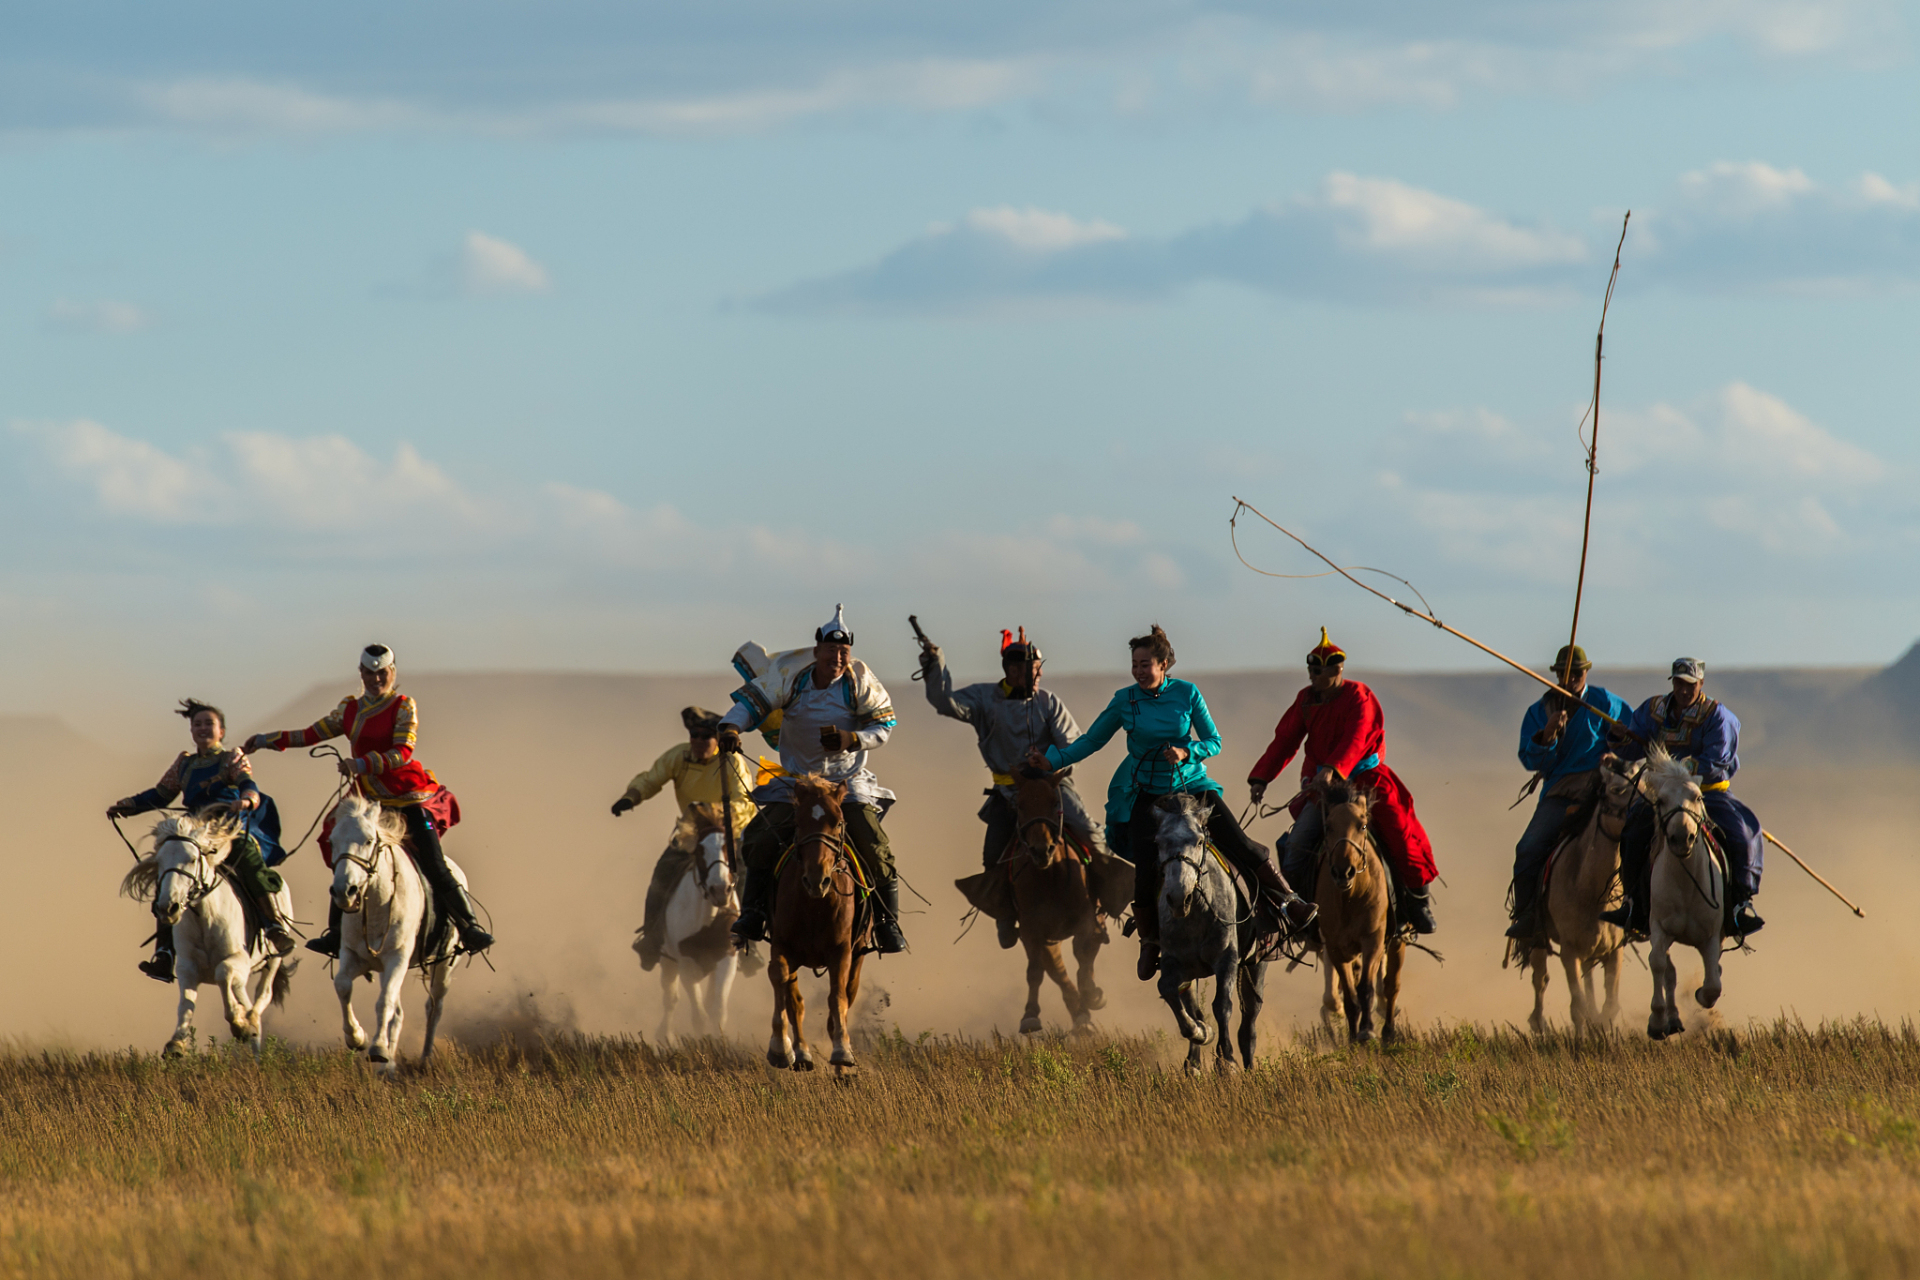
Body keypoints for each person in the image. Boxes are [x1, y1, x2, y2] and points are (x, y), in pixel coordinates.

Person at [1028, 624, 1315, 982]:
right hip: (1149, 795)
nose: (1138, 670)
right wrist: (1052, 761)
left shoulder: (1187, 693)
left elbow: (1214, 741)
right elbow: (1091, 740)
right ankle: (1150, 942)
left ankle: (1289, 903)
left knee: (1240, 844)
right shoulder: (1124, 700)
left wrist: (1187, 750)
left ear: (1164, 664)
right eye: (1134, 663)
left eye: (1145, 663)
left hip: (1193, 786)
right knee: (1147, 867)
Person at [243, 644, 494, 956]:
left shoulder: (403, 706)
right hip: (368, 799)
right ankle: (336, 934)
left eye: (381, 673)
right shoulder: (350, 709)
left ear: (392, 673)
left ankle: (468, 926)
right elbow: (311, 734)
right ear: (360, 673)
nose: (375, 679)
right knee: (343, 850)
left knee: (432, 858)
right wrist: (266, 740)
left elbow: (403, 751)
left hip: (406, 795)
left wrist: (361, 765)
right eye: (369, 673)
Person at [719, 606, 907, 953]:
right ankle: (754, 913)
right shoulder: (791, 675)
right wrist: (731, 727)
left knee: (874, 846)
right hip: (796, 784)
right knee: (759, 838)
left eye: (844, 652)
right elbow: (752, 704)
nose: (837, 657)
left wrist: (853, 740)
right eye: (831, 650)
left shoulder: (859, 682)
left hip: (844, 785)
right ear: (818, 649)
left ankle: (886, 923)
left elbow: (885, 726)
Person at [920, 626, 1120, 950]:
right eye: (1029, 669)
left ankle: (1104, 905)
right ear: (1011, 670)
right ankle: (1005, 916)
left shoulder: (1049, 702)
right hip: (1008, 792)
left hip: (1049, 789)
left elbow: (1074, 745)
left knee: (1088, 830)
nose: (1035, 676)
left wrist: (1049, 761)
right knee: (993, 855)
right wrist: (934, 663)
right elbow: (945, 702)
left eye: (1038, 669)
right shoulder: (984, 699)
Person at [1247, 629, 1439, 934]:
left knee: (1400, 832)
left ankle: (1416, 904)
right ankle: (1297, 913)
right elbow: (1285, 740)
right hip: (1324, 790)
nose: (1313, 677)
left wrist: (1334, 767)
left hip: (1366, 780)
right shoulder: (1306, 700)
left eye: (1319, 672)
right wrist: (1261, 777)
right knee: (1298, 845)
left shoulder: (1359, 697)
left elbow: (1357, 738)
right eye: (1311, 671)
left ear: (1337, 671)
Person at [108, 698, 298, 981]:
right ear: (191, 730)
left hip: (227, 831)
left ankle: (272, 926)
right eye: (197, 724)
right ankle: (165, 953)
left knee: (248, 859)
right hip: (193, 833)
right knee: (169, 879)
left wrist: (247, 800)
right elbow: (161, 795)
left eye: (209, 724)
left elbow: (248, 784)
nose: (202, 729)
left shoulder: (231, 758)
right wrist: (128, 805)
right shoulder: (184, 764)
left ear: (221, 731)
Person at [1601, 657, 1765, 938]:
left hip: (1707, 793)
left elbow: (1715, 762)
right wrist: (1618, 738)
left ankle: (1740, 904)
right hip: (1664, 794)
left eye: (1690, 684)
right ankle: (1632, 904)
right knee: (1633, 831)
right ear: (1672, 682)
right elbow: (1631, 749)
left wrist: (1675, 769)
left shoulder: (1717, 716)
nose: (1684, 689)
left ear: (1700, 684)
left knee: (1744, 833)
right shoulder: (1654, 710)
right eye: (1679, 682)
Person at [614, 705, 758, 970]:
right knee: (661, 875)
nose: (699, 741)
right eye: (694, 735)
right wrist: (631, 796)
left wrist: (712, 814)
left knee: (746, 876)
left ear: (718, 740)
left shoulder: (732, 761)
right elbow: (652, 778)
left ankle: (748, 944)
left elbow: (744, 802)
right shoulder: (679, 757)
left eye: (706, 736)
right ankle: (652, 938)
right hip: (691, 836)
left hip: (728, 836)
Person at [1506, 645, 1633, 941]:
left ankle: (1638, 908)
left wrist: (1616, 749)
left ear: (1586, 672)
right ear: (1556, 674)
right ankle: (1527, 917)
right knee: (1527, 848)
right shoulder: (1539, 712)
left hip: (1601, 790)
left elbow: (1632, 742)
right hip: (1559, 793)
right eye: (1565, 673)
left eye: (1577, 672)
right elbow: (1531, 761)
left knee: (1639, 836)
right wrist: (1547, 735)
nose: (1572, 677)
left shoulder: (1606, 703)